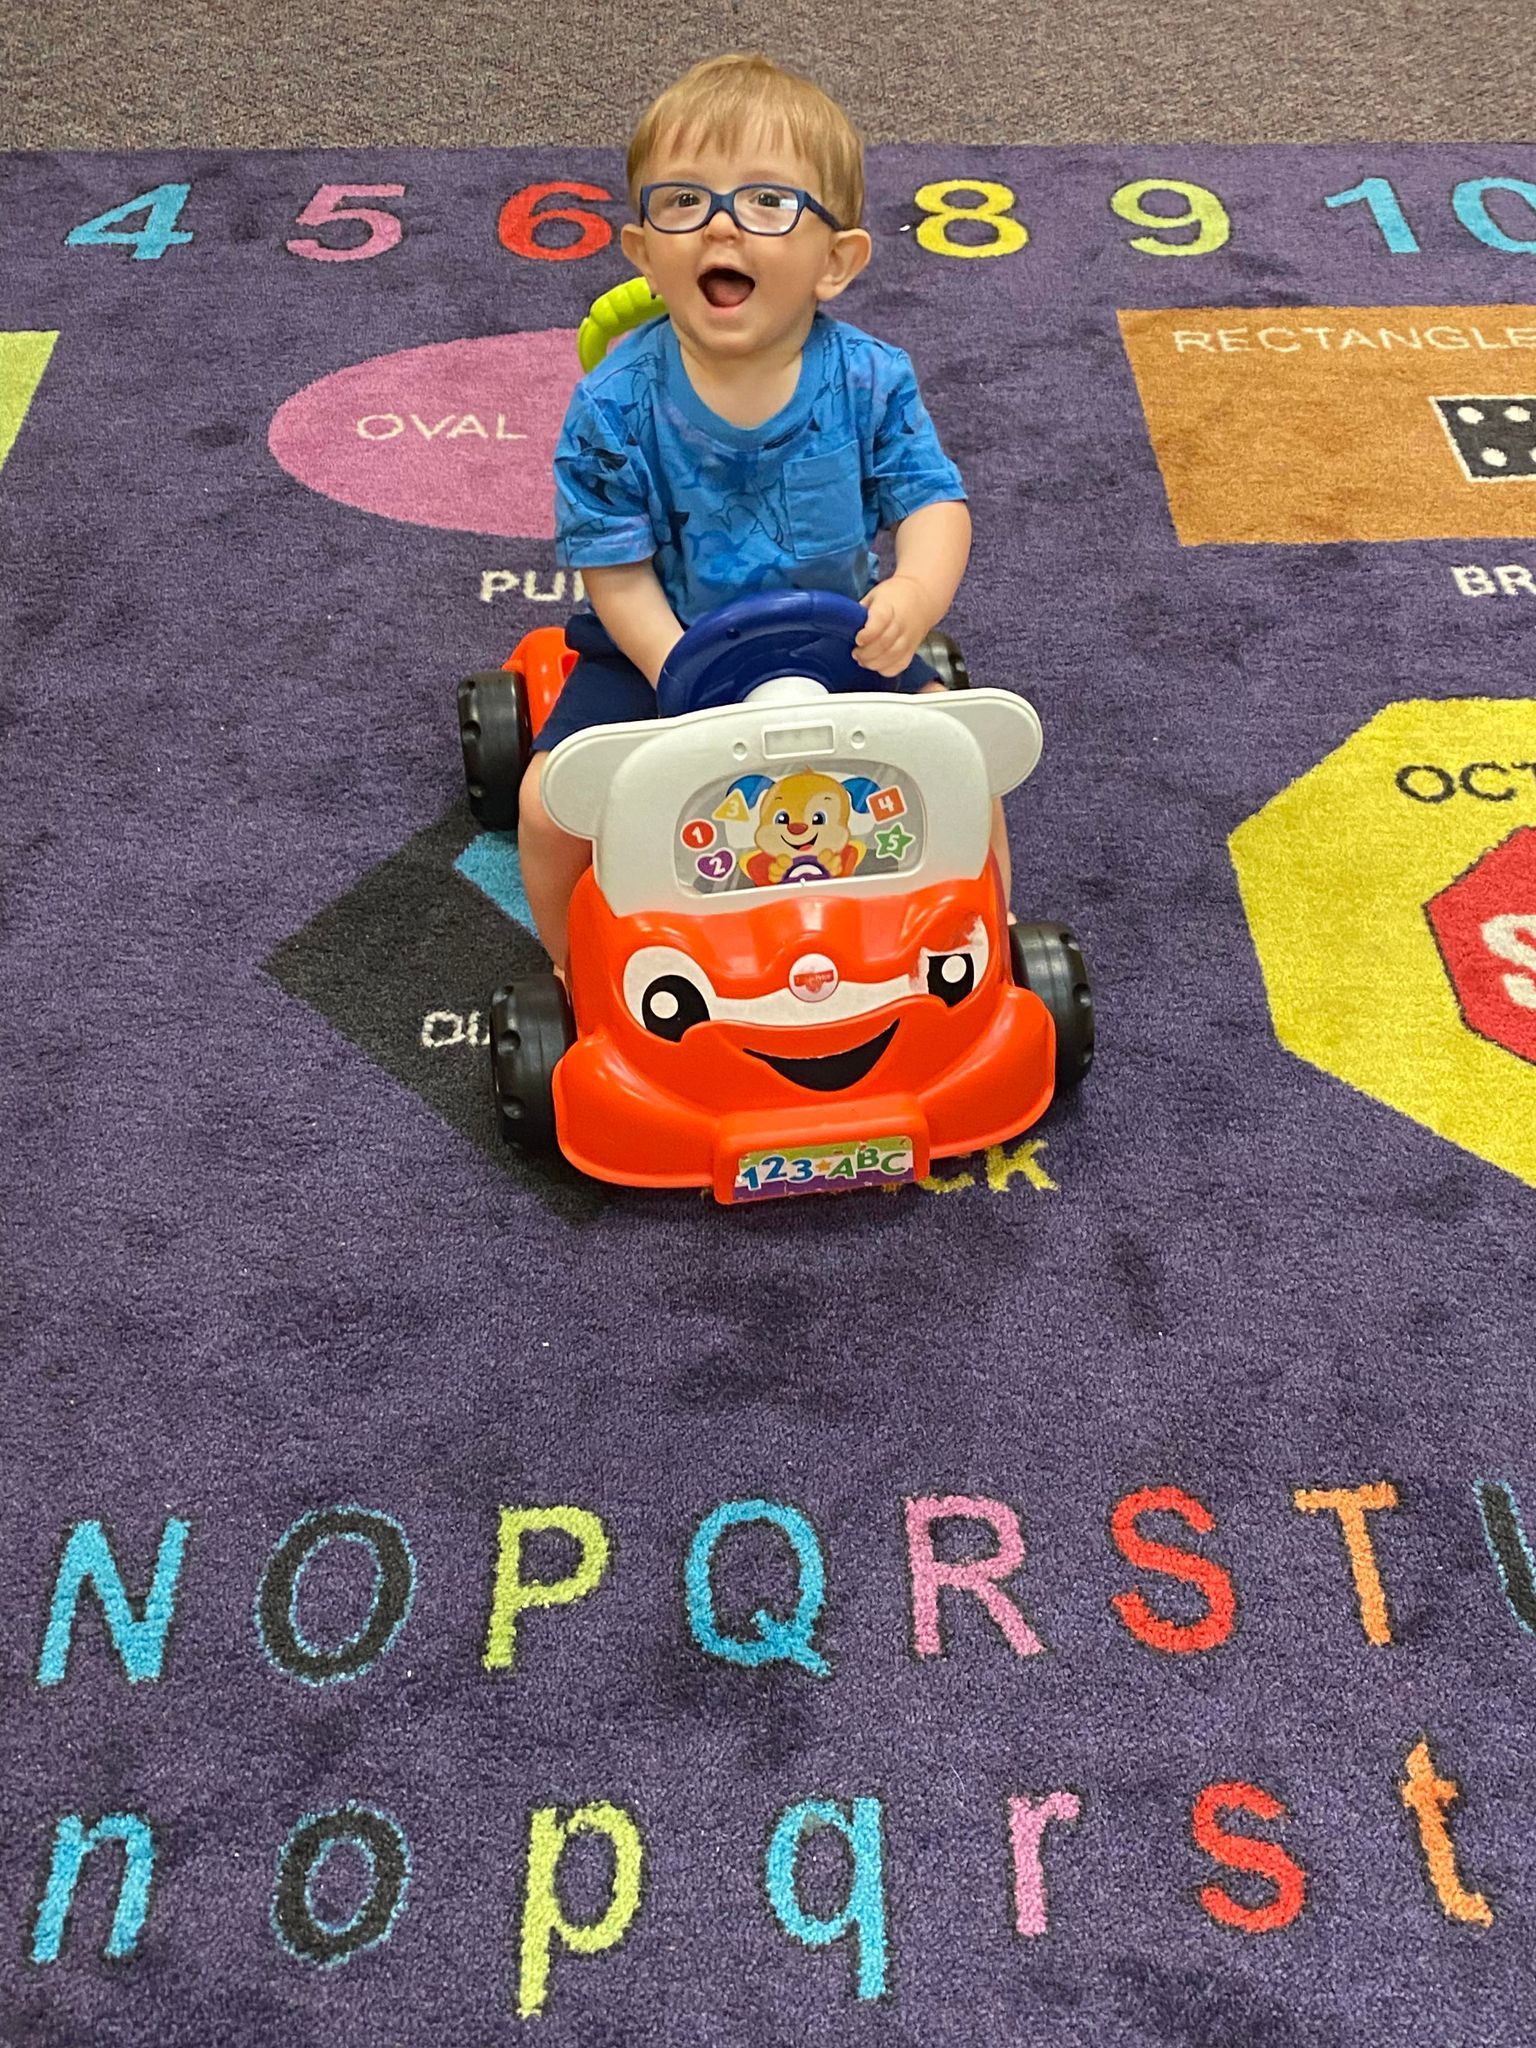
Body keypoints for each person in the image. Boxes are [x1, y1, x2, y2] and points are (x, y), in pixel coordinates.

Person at [521, 49, 988, 969]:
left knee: (961, 772)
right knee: (546, 806)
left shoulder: (869, 380)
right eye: (684, 202)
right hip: (656, 653)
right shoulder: (612, 406)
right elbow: (613, 569)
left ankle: (978, 951)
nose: (720, 230)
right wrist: (679, 676)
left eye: (768, 204)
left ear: (836, 261)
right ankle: (571, 975)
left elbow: (934, 500)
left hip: (837, 643)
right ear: (645, 252)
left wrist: (917, 598)